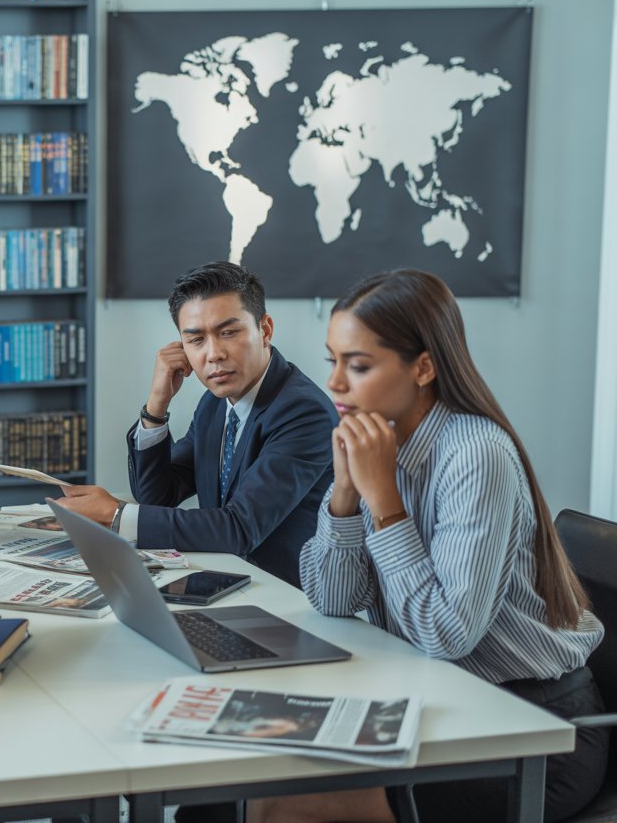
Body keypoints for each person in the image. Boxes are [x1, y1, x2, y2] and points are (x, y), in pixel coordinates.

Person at [255, 269, 606, 823]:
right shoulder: (379, 440)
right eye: (332, 361)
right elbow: (332, 599)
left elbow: (445, 634)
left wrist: (384, 500)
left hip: (535, 731)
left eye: (358, 365)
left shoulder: (476, 454)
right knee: (248, 776)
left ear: (423, 367)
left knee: (279, 806)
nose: (335, 384)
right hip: (439, 701)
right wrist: (344, 494)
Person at [55, 262, 337, 587]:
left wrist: (116, 515)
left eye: (228, 333)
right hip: (225, 582)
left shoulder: (304, 412)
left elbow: (239, 529)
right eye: (196, 340)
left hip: (287, 596)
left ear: (265, 330)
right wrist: (156, 405)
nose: (214, 354)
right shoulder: (214, 403)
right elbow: (159, 496)